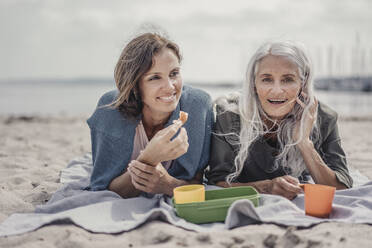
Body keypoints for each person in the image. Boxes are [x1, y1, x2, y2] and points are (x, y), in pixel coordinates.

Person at [206, 41, 353, 200]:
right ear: (253, 84)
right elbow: (217, 182)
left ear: (302, 84)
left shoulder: (324, 118)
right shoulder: (228, 114)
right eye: (267, 79)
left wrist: (304, 142)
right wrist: (266, 187)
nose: (276, 91)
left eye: (288, 79)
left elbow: (342, 188)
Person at [87, 33, 213, 198]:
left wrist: (167, 185)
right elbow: (104, 188)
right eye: (154, 78)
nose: (170, 87)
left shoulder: (198, 106)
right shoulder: (110, 109)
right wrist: (149, 158)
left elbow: (196, 181)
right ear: (134, 85)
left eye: (174, 73)